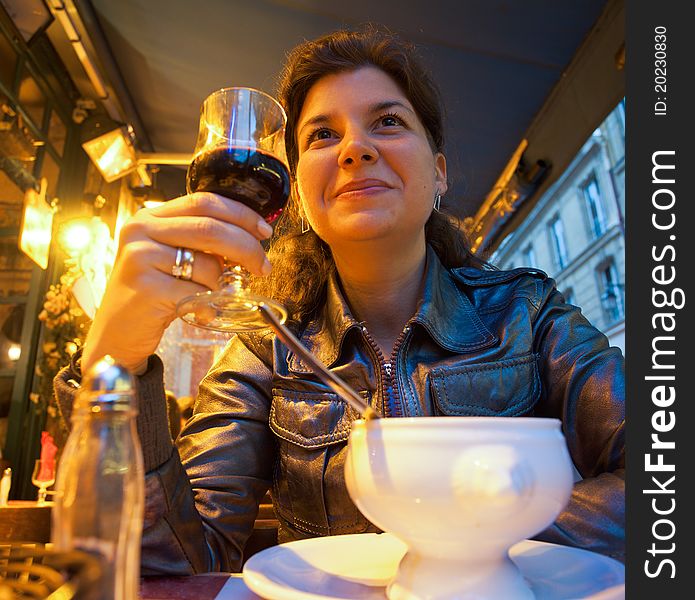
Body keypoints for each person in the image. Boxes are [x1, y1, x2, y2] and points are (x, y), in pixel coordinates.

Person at [54, 26, 624, 574]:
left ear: (440, 173)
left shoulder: (529, 315)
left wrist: (464, 551)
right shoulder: (264, 350)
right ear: (298, 190)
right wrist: (113, 363)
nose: (355, 147)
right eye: (322, 135)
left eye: (388, 122)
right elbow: (178, 562)